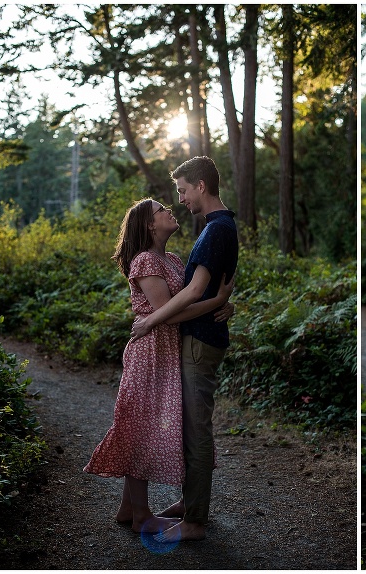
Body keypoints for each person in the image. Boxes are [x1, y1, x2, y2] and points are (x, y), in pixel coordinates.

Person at [84, 198, 234, 535]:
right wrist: (218, 301)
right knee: (140, 427)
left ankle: (128, 508)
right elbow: (168, 313)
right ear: (150, 224)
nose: (170, 210)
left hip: (167, 349)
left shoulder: (173, 259)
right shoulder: (145, 260)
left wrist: (223, 306)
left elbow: (189, 301)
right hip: (149, 351)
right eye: (161, 209)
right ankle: (141, 515)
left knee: (146, 424)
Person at [130, 156, 239, 543]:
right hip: (198, 339)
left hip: (200, 342)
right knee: (188, 427)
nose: (180, 199)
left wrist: (151, 321)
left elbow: (194, 291)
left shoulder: (215, 230)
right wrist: (220, 302)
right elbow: (207, 291)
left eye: (182, 190)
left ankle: (194, 521)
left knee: (196, 432)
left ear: (201, 187)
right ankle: (188, 502)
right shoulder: (218, 228)